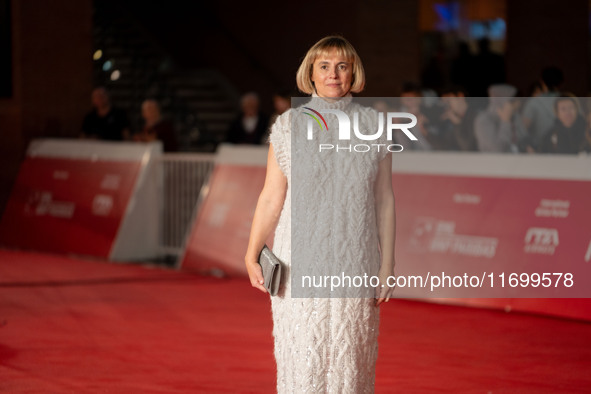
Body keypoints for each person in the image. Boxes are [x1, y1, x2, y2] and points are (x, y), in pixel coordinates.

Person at [244, 36, 396, 393]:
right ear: (310, 74)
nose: (334, 74)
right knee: (302, 358)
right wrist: (252, 252)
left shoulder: (374, 126)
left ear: (353, 73)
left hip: (355, 260)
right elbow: (271, 197)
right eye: (324, 66)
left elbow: (384, 200)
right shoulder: (287, 127)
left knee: (350, 360)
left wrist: (387, 264)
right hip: (297, 260)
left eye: (342, 66)